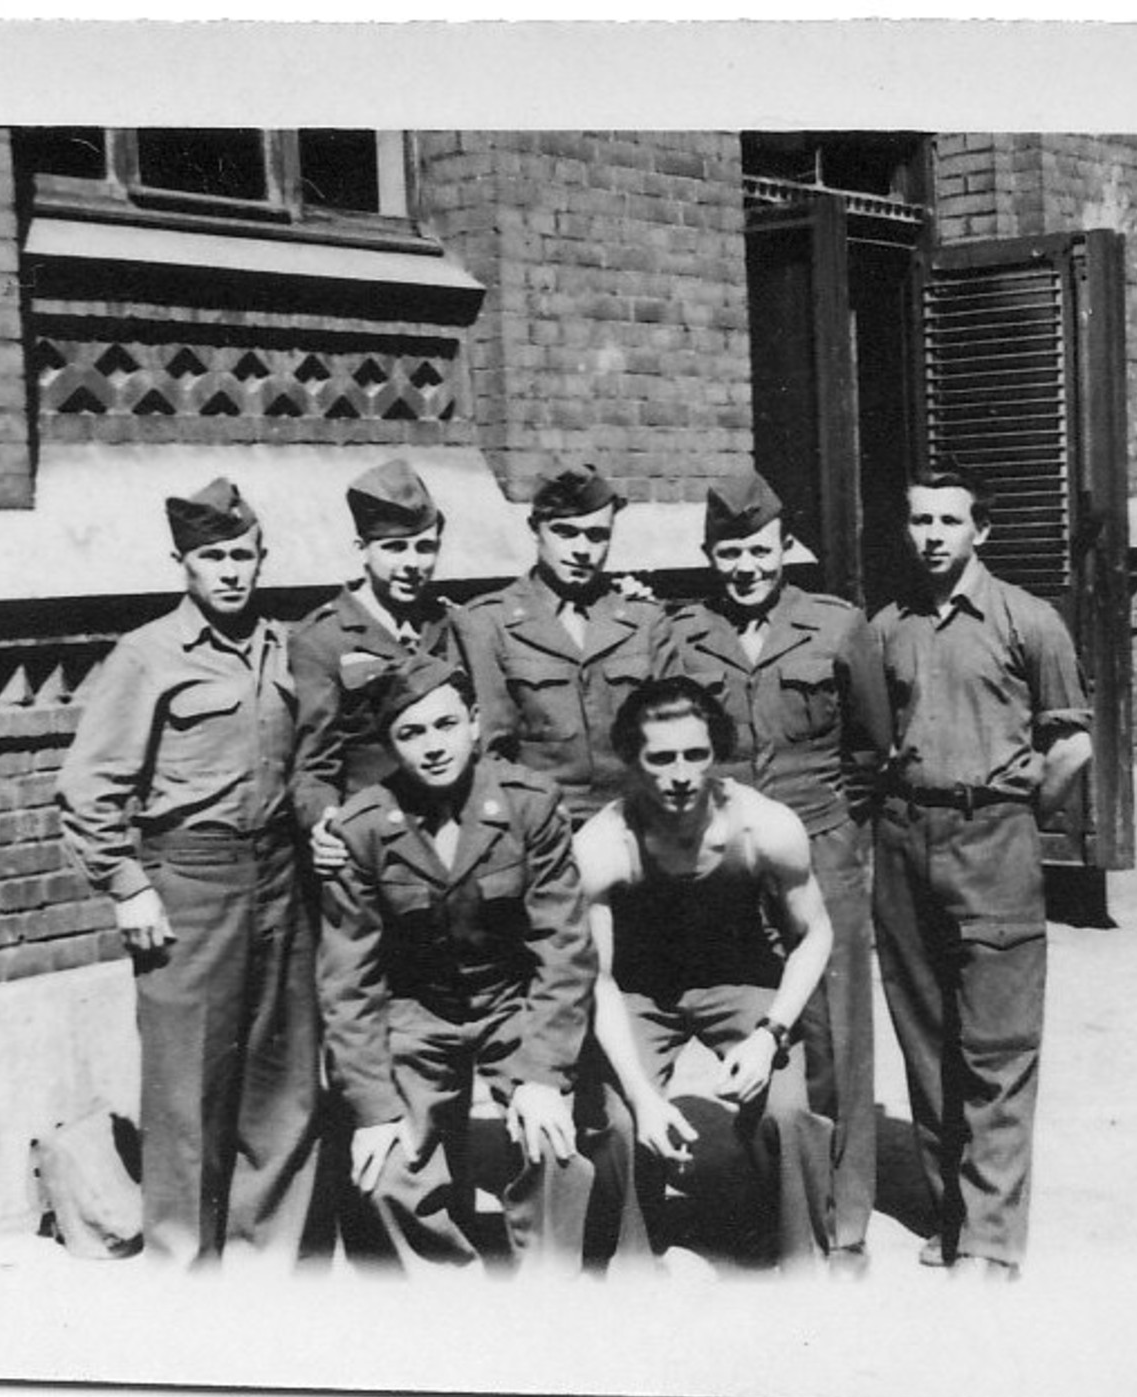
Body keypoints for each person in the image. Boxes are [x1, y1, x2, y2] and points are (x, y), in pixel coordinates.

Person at [55, 477, 321, 1269]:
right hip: (191, 879)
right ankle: (182, 1267)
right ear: (183, 563)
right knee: (188, 1085)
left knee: (281, 1080)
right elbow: (90, 785)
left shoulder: (286, 646)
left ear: (262, 558)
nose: (231, 571)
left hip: (280, 874)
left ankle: (264, 1262)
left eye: (243, 555)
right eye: (214, 558)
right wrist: (126, 883)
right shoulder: (148, 654)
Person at [653, 470, 890, 1270]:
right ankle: (773, 1203)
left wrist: (833, 828)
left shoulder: (837, 625)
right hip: (724, 862)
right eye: (729, 552)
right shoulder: (683, 634)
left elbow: (869, 747)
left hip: (820, 850)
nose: (746, 566)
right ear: (709, 555)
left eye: (759, 549)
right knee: (756, 1025)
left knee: (837, 1037)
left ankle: (844, 1221)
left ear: (785, 547)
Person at [870, 466, 1094, 1279]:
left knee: (997, 1043)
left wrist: (1016, 814)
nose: (931, 535)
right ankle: (951, 1217)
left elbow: (1072, 743)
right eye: (920, 520)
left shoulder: (1028, 621)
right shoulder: (888, 626)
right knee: (926, 1039)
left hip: (993, 836)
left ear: (981, 531)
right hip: (905, 838)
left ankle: (993, 1240)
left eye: (948, 521)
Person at [316, 654, 602, 1272]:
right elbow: (348, 979)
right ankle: (451, 1293)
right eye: (411, 733)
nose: (433, 747)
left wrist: (544, 1074)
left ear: (474, 722)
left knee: (553, 1144)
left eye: (446, 725)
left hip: (511, 1003)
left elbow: (563, 947)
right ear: (390, 745)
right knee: (385, 1164)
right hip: (416, 1011)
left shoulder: (529, 805)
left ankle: (548, 1292)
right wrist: (374, 1108)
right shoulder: (363, 827)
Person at [576, 677, 835, 1273]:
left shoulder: (765, 826)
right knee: (620, 1121)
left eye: (696, 755)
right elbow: (598, 980)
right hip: (637, 989)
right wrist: (642, 1096)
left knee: (787, 1112)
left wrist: (769, 1034)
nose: (681, 775)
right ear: (632, 760)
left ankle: (799, 1258)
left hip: (740, 978)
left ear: (716, 753)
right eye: (661, 758)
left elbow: (815, 935)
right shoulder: (603, 844)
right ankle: (631, 1259)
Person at [458, 463, 664, 828]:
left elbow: (674, 731)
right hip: (541, 826)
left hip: (638, 821)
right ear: (535, 529)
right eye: (565, 532)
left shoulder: (643, 619)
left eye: (597, 535)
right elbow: (487, 753)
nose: (582, 550)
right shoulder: (487, 623)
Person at [290, 457, 465, 833]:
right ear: (362, 549)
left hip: (454, 828)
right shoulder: (322, 640)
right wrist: (327, 826)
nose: (413, 563)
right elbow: (315, 767)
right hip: (375, 834)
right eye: (395, 548)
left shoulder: (451, 623)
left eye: (425, 547)